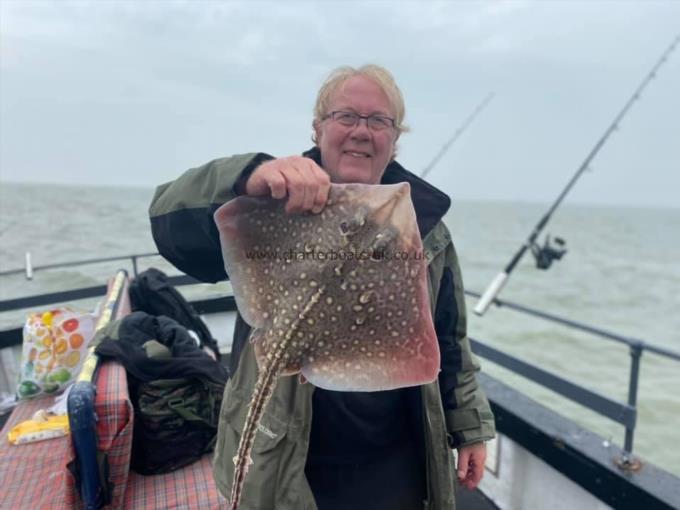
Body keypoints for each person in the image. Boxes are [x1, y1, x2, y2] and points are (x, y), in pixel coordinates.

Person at [149, 64, 495, 510]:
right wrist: (246, 175)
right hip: (288, 453)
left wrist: (468, 427)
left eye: (378, 121)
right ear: (318, 129)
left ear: (394, 139)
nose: (361, 132)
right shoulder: (268, 207)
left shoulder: (424, 228)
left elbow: (447, 336)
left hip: (396, 455)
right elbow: (168, 225)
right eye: (346, 116)